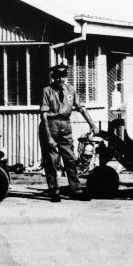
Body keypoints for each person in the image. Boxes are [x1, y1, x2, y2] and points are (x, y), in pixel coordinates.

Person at [39, 64, 99, 202]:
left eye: (63, 76)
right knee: (51, 160)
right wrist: (48, 136)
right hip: (50, 125)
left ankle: (76, 190)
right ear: (53, 77)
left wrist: (92, 124)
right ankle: (54, 191)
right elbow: (44, 116)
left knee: (70, 158)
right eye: (57, 77)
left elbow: (81, 108)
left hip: (66, 125)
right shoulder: (47, 91)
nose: (60, 79)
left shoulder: (71, 89)